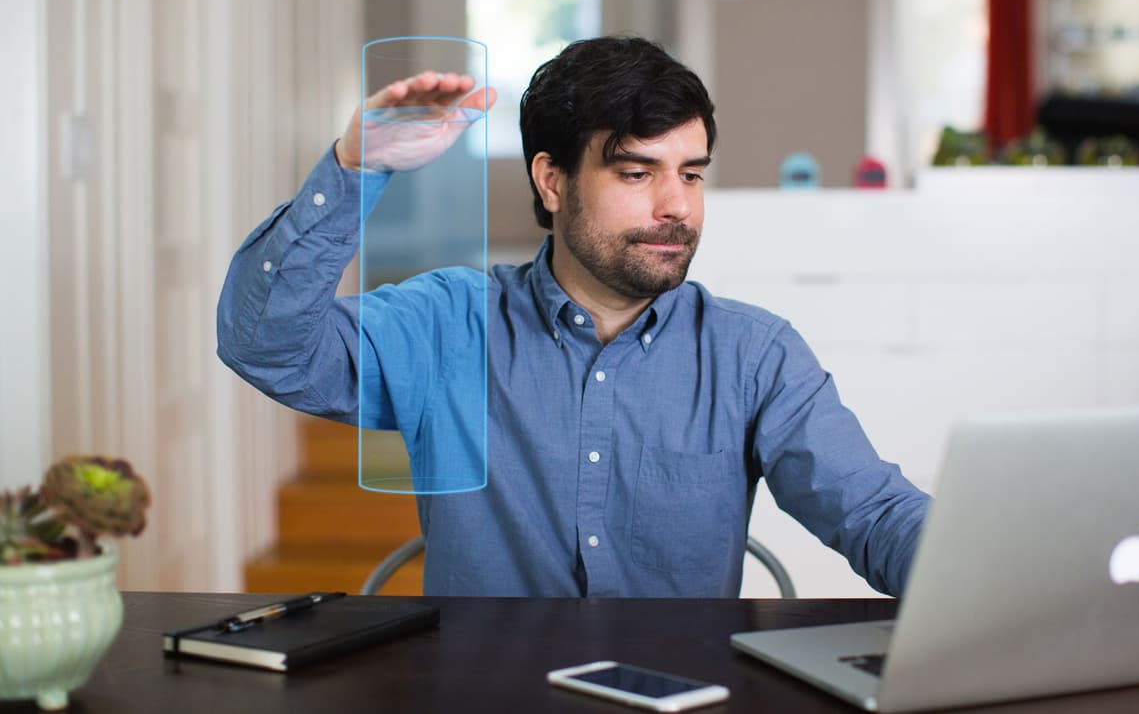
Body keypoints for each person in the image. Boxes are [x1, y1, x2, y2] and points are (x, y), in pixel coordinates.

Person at [217, 36, 930, 597]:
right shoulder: (448, 327)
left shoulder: (755, 355)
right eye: (635, 172)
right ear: (552, 181)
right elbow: (265, 345)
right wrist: (355, 171)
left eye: (690, 173)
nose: (676, 205)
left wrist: (991, 579)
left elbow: (874, 515)